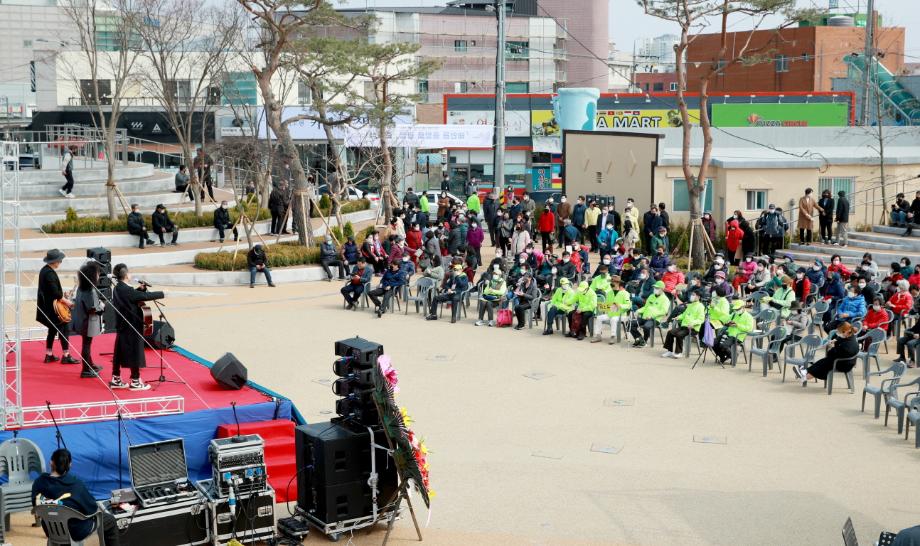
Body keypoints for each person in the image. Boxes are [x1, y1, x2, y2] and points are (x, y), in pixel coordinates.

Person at [32, 449, 121, 546]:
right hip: (76, 532)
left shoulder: (39, 482)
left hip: (50, 530)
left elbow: (36, 506)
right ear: (70, 465)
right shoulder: (77, 485)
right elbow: (92, 509)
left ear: (51, 463)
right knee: (109, 520)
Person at [111, 263, 163, 390]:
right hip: (132, 324)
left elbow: (132, 296)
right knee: (135, 351)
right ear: (126, 275)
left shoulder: (118, 287)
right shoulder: (126, 290)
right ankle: (135, 381)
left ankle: (116, 378)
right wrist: (162, 293)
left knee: (119, 351)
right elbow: (143, 297)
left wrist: (139, 289)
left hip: (123, 324)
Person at [37, 249, 77, 365]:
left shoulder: (45, 270)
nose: (60, 262)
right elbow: (55, 293)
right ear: (54, 261)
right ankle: (66, 355)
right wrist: (67, 302)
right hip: (53, 308)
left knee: (52, 330)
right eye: (59, 260)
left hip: (49, 307)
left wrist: (62, 295)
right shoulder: (49, 273)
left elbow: (52, 291)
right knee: (64, 329)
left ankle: (49, 355)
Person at [792, 322, 859, 385]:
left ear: (846, 332)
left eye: (840, 332)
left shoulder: (847, 345)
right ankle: (805, 373)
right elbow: (840, 340)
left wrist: (832, 347)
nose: (839, 334)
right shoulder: (850, 337)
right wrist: (835, 341)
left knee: (825, 363)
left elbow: (831, 354)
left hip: (844, 364)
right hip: (844, 360)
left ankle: (805, 375)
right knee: (824, 361)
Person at [70, 262, 105, 378]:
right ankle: (86, 369)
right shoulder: (91, 291)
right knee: (86, 345)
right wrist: (103, 306)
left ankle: (90, 364)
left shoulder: (81, 287)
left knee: (86, 344)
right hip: (87, 322)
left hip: (80, 319)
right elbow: (93, 309)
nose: (98, 276)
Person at [661, 289, 705, 358]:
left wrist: (692, 324)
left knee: (679, 335)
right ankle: (669, 351)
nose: (691, 296)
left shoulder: (701, 306)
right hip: (684, 326)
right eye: (692, 294)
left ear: (698, 297)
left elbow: (701, 319)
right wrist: (678, 317)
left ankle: (679, 352)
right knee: (670, 332)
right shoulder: (690, 305)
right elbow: (684, 314)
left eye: (693, 295)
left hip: (692, 328)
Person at [713, 299, 755, 364]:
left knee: (723, 345)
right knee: (713, 343)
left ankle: (733, 356)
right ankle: (723, 357)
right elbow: (726, 318)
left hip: (737, 336)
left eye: (738, 309)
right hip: (728, 333)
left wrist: (737, 325)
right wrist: (727, 322)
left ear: (743, 307)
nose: (736, 311)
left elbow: (749, 328)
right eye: (735, 309)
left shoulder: (749, 317)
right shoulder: (734, 314)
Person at [630, 280, 670, 347]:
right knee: (631, 324)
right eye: (655, 288)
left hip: (655, 319)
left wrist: (652, 316)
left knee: (646, 327)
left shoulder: (665, 299)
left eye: (657, 288)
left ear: (662, 289)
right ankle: (639, 339)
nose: (655, 289)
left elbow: (664, 311)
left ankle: (644, 341)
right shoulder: (651, 296)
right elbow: (645, 307)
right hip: (645, 317)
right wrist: (638, 311)